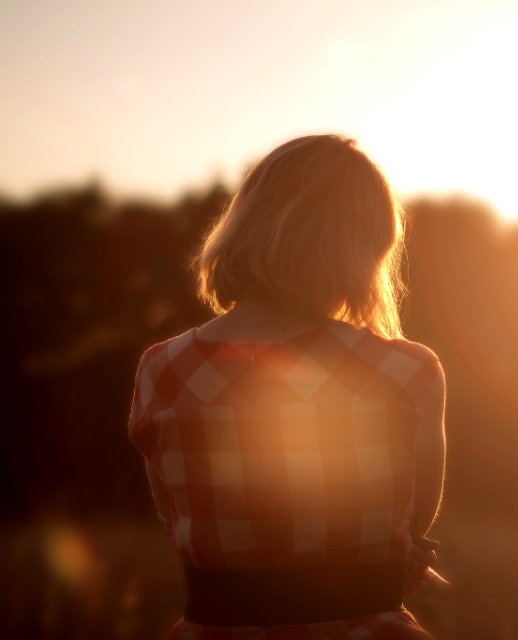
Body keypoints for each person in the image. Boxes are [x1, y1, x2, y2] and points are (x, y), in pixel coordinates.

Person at [127, 135, 446, 639]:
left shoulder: (162, 370)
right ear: (363, 249)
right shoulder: (406, 372)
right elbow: (412, 523)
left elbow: (179, 519)